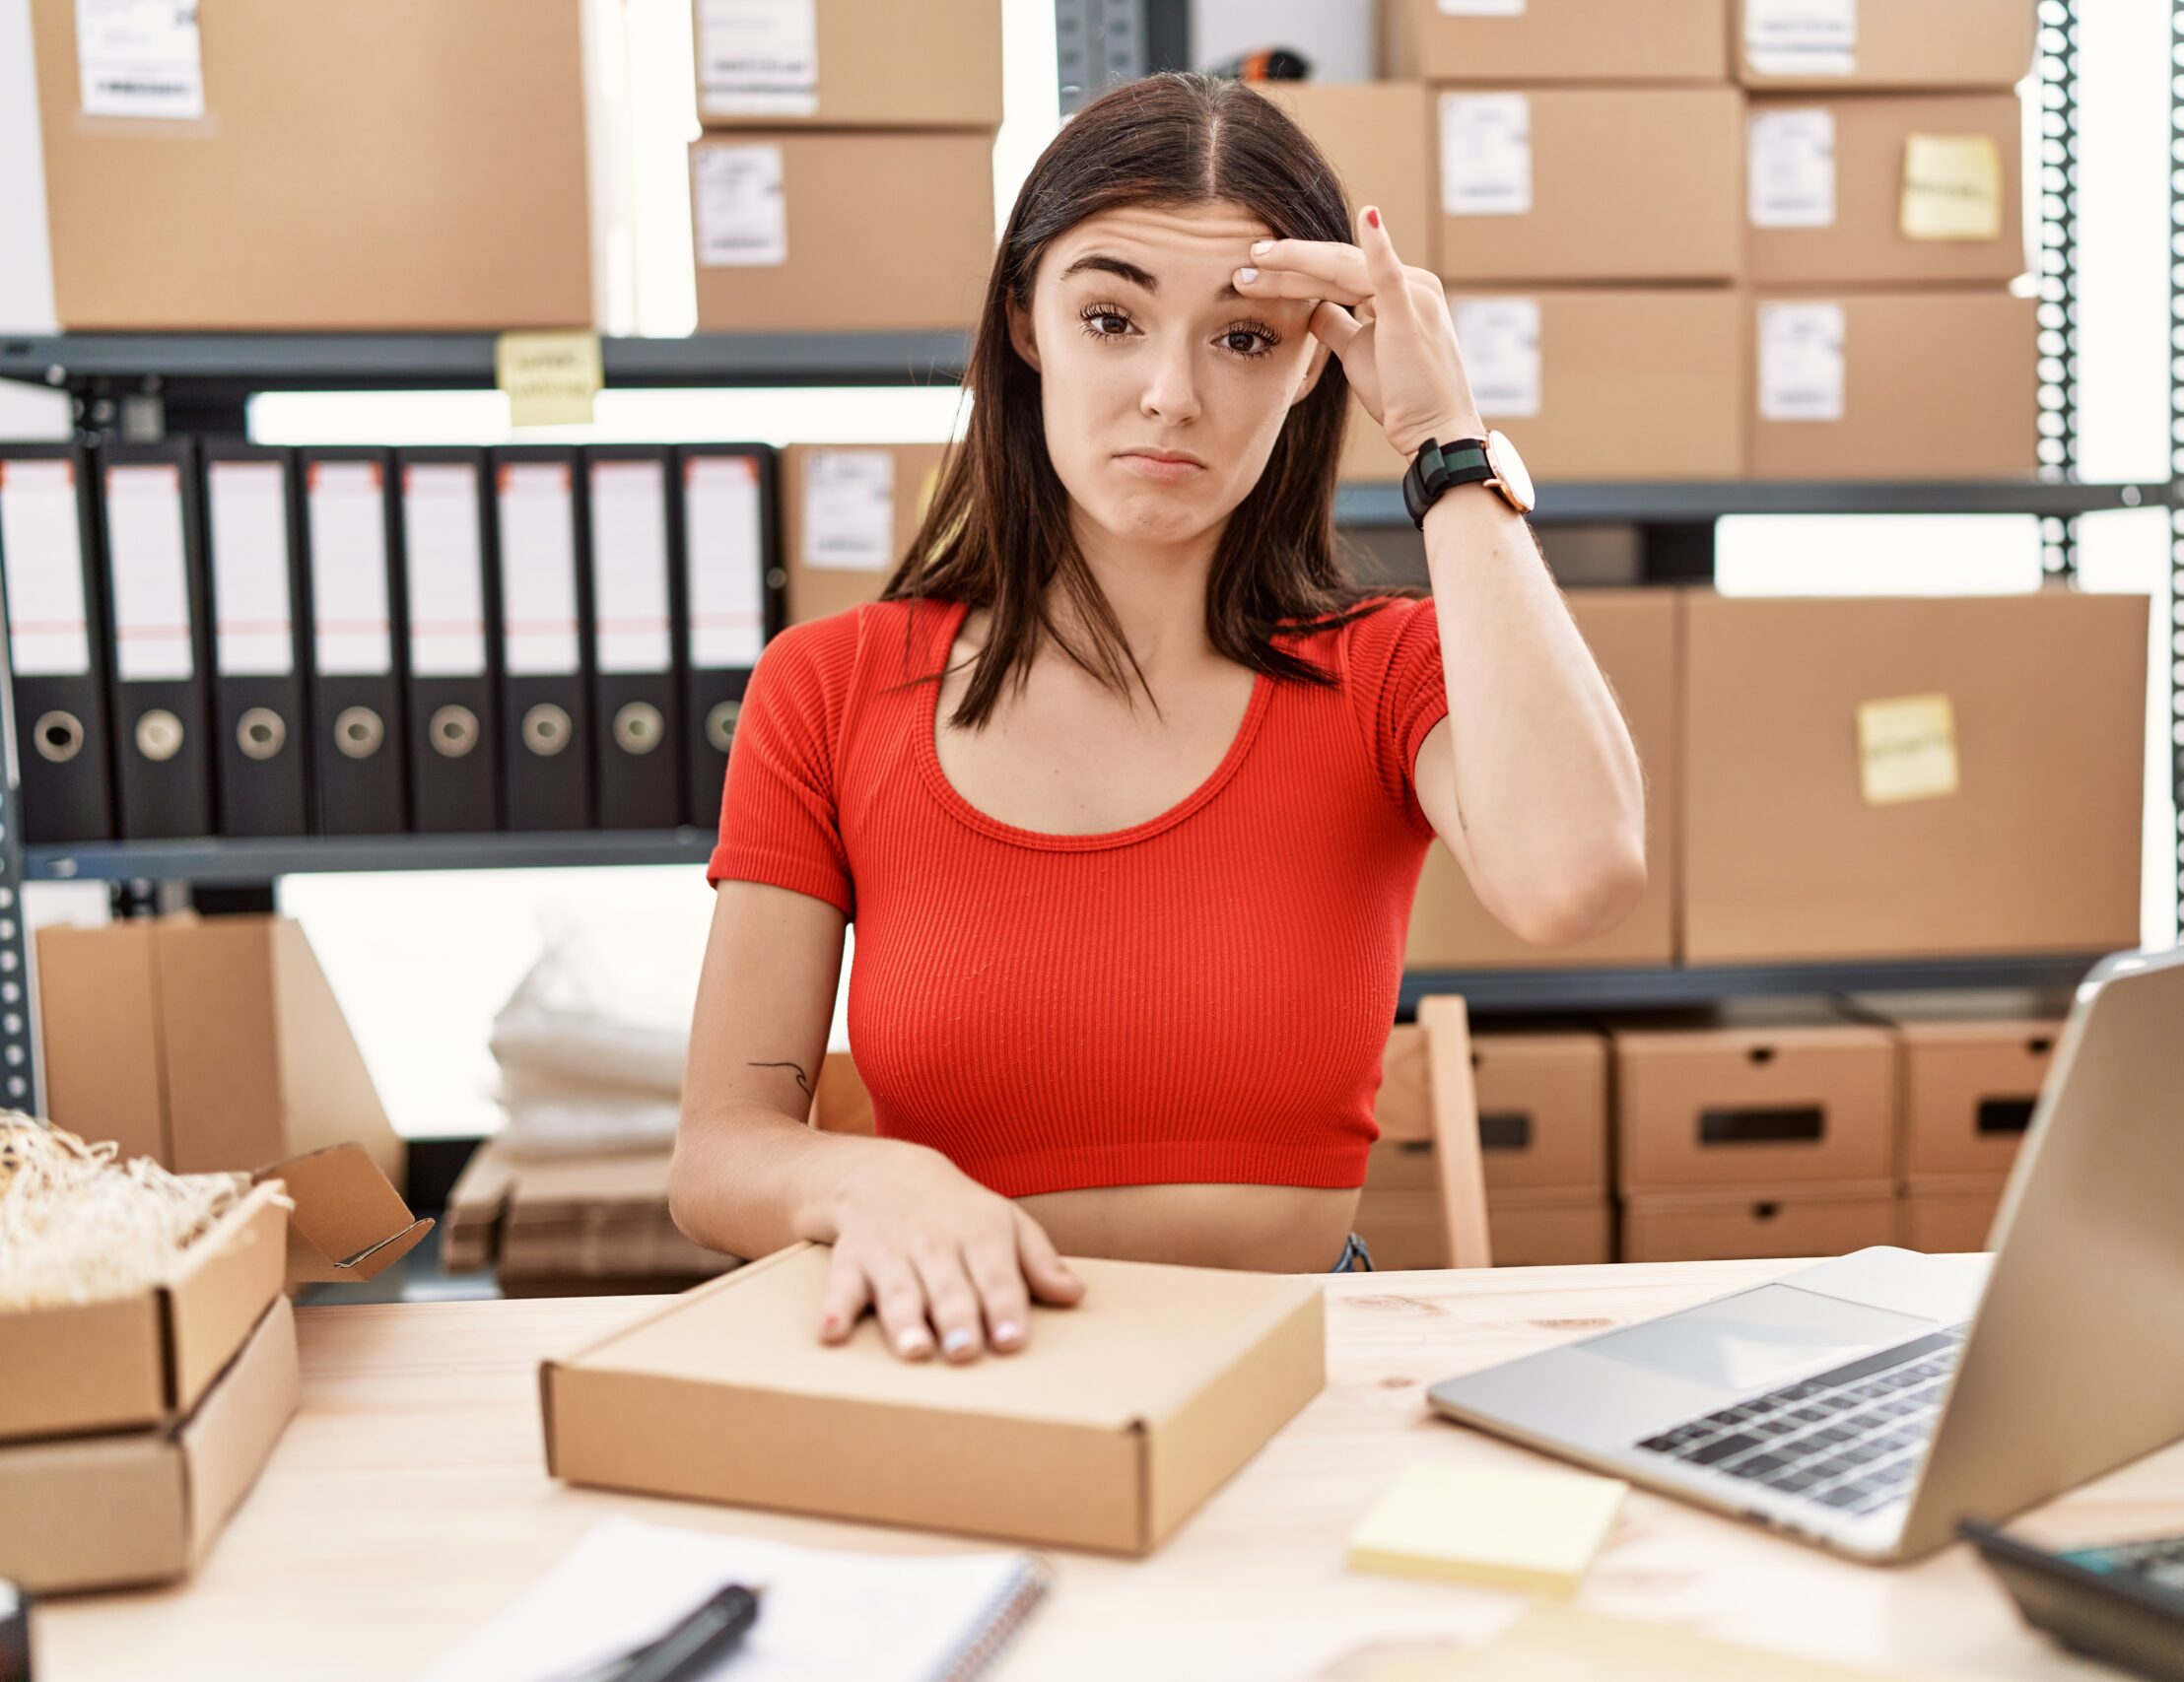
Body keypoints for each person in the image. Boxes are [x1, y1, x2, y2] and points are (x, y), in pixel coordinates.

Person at [668, 72, 1648, 1363]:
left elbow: (1575, 881)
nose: (1171, 395)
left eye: (1242, 338)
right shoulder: (831, 687)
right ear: (1027, 323)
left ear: (1313, 364)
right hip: (972, 1369)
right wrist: (865, 1182)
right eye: (1112, 317)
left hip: (1304, 1371)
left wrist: (1442, 436)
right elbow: (718, 1156)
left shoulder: (1387, 673)